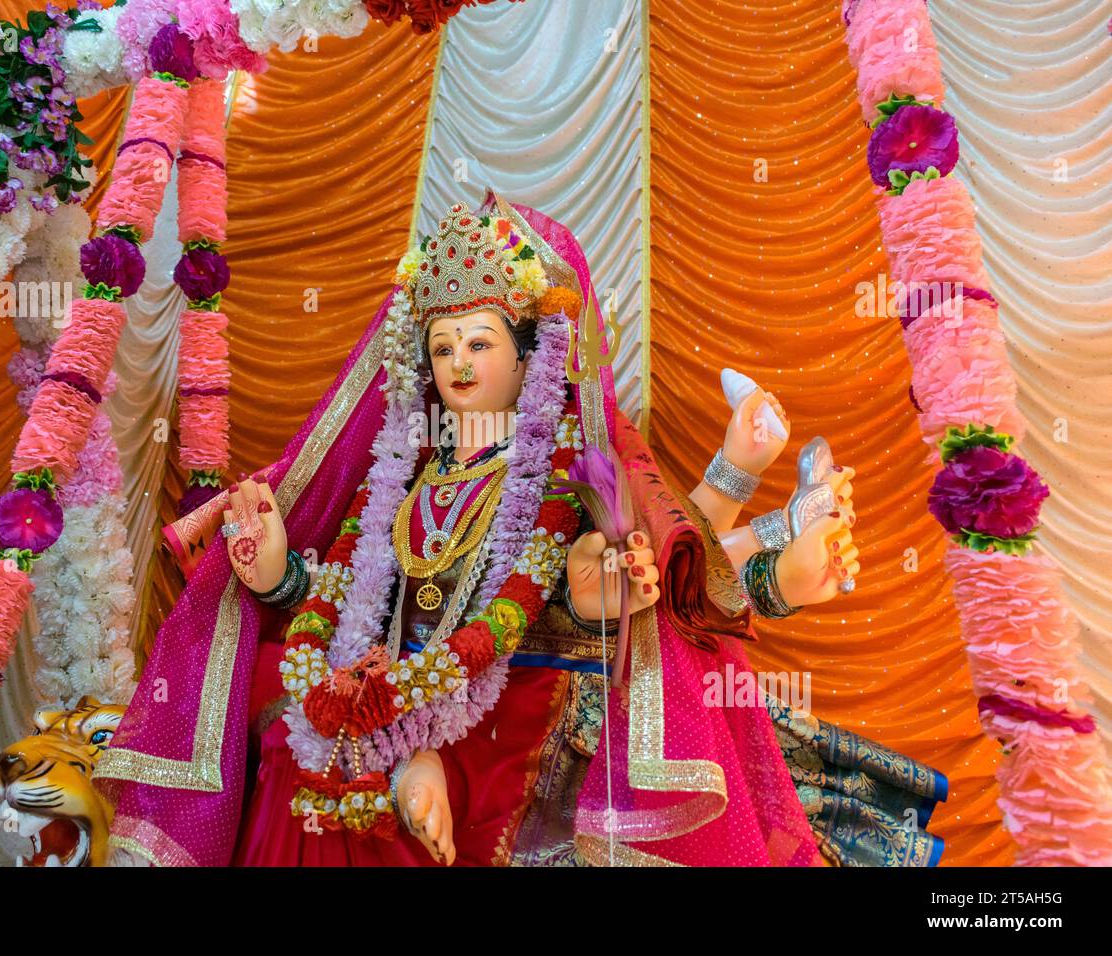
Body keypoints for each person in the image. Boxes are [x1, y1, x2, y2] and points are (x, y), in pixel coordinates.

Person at [93, 193, 943, 866]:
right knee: (285, 730)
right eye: (443, 348)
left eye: (480, 342)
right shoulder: (403, 476)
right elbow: (351, 597)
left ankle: (784, 565)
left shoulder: (570, 470)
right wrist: (279, 576)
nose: (459, 365)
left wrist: (725, 490)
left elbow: (658, 562)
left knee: (616, 609)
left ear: (532, 356)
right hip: (381, 699)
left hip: (513, 708)